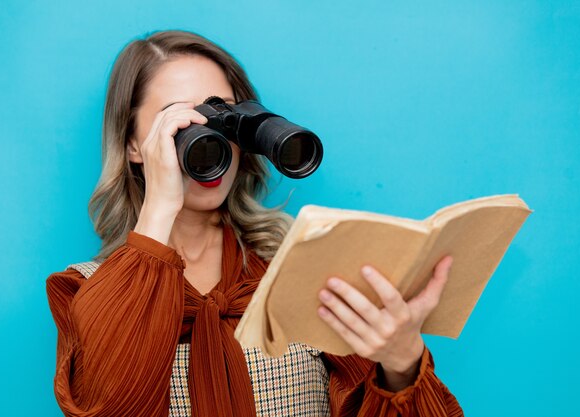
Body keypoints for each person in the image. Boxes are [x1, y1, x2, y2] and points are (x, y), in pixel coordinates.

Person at [46, 30, 464, 417]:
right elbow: (109, 406)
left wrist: (402, 363)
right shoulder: (90, 291)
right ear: (135, 144)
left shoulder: (300, 269)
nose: (207, 138)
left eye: (222, 115)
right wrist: (158, 210)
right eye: (179, 119)